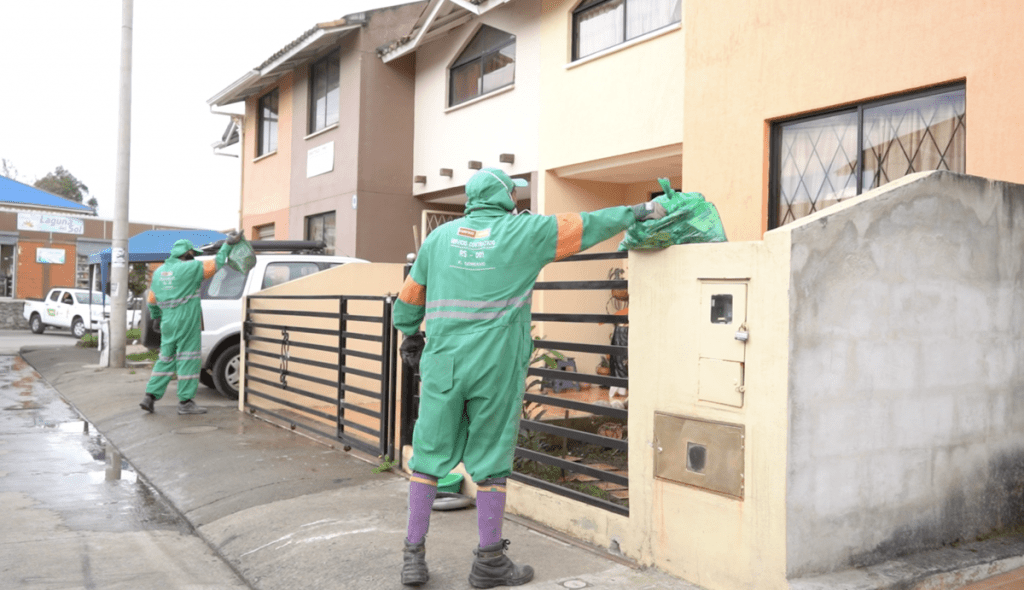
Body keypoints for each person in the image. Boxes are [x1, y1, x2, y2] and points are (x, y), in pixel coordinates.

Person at [392, 168, 666, 587]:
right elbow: (586, 225)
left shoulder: (439, 239)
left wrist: (410, 334)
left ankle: (413, 557)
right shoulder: (524, 233)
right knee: (491, 463)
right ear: (505, 197)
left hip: (443, 364)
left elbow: (410, 299)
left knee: (427, 458)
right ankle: (488, 562)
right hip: (495, 367)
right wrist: (641, 211)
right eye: (514, 194)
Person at [139, 234, 239, 415]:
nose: (194, 257)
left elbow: (152, 300)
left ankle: (150, 396)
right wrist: (228, 245)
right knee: (188, 359)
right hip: (186, 320)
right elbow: (217, 264)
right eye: (193, 254)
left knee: (165, 358)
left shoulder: (159, 272)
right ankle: (185, 402)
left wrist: (156, 318)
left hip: (167, 321)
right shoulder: (192, 267)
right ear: (187, 253)